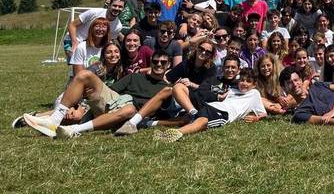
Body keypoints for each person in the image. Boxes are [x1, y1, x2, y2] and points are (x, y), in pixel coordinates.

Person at [23, 51, 174, 139]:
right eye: (156, 61)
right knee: (84, 75)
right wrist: (84, 103)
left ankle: (75, 130)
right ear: (151, 62)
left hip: (130, 115)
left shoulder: (166, 90)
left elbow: (161, 115)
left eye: (163, 62)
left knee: (129, 109)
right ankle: (53, 120)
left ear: (168, 65)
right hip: (114, 102)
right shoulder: (135, 77)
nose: (159, 65)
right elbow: (109, 90)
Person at [154, 67, 267, 142]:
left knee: (203, 121)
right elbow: (220, 98)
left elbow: (264, 114)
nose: (244, 83)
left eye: (248, 81)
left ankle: (176, 133)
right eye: (242, 80)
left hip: (223, 114)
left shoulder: (254, 94)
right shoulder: (232, 90)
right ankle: (191, 114)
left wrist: (256, 118)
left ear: (254, 84)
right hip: (211, 105)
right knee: (178, 88)